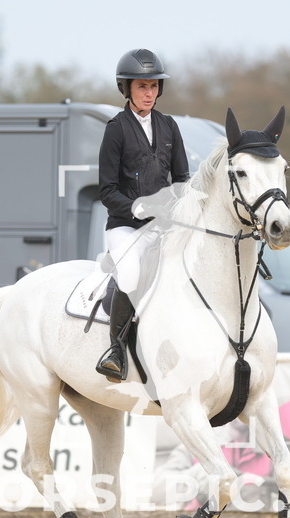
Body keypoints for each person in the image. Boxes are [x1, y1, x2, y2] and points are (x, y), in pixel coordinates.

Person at [96, 48, 190, 382]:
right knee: (132, 274)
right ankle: (116, 351)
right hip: (124, 227)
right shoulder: (116, 129)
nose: (148, 93)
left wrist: (178, 205)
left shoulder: (168, 126)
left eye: (153, 87)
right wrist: (136, 207)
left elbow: (182, 179)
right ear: (127, 89)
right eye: (141, 87)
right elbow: (106, 190)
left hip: (162, 227)